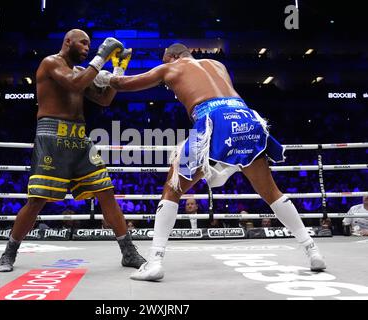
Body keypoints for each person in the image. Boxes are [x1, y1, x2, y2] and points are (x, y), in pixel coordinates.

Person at [95, 43, 326, 281]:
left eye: (166, 60)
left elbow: (125, 85)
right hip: (246, 117)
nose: (165, 66)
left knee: (172, 189)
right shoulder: (217, 64)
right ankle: (312, 250)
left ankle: (154, 262)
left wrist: (104, 76)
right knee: (271, 192)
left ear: (173, 57)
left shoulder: (170, 68)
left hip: (213, 120)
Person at [0, 29, 145, 272]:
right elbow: (74, 84)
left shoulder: (81, 73)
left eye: (90, 45)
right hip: (52, 136)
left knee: (106, 192)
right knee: (37, 200)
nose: (88, 48)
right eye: (83, 43)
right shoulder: (50, 63)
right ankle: (9, 252)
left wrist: (118, 68)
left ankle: (128, 252)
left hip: (79, 138)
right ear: (68, 42)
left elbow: (105, 100)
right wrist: (101, 57)